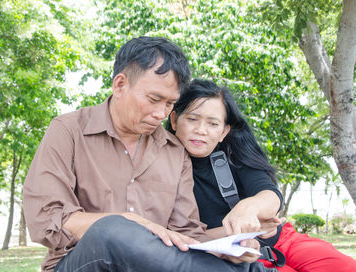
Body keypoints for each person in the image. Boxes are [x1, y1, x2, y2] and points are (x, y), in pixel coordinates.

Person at [23, 37, 276, 272]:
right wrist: (128, 221)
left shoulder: (175, 151)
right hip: (84, 261)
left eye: (169, 104)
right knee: (111, 230)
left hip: (153, 264)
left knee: (244, 265)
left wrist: (231, 244)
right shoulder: (69, 130)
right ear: (120, 84)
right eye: (154, 99)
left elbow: (187, 234)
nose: (161, 114)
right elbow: (46, 219)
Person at [166, 79, 356, 272]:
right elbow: (179, 235)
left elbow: (270, 195)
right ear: (174, 120)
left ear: (224, 131)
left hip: (282, 241)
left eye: (213, 123)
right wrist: (241, 232)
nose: (201, 130)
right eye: (192, 119)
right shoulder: (160, 166)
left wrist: (248, 208)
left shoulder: (233, 153)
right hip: (233, 257)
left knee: (344, 267)